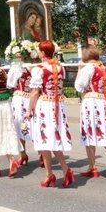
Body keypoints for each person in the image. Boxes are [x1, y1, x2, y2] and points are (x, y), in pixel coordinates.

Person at [24, 40, 74, 188]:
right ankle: (54, 172)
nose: (39, 53)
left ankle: (58, 171)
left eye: (40, 51)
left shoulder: (39, 69)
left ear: (43, 53)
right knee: (51, 138)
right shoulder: (59, 67)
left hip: (45, 105)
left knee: (46, 137)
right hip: (58, 104)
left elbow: (34, 92)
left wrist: (28, 109)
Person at [74, 46, 106, 179]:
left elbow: (79, 87)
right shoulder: (102, 68)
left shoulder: (88, 69)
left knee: (90, 132)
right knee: (100, 131)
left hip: (91, 102)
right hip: (102, 101)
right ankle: (98, 165)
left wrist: (79, 70)